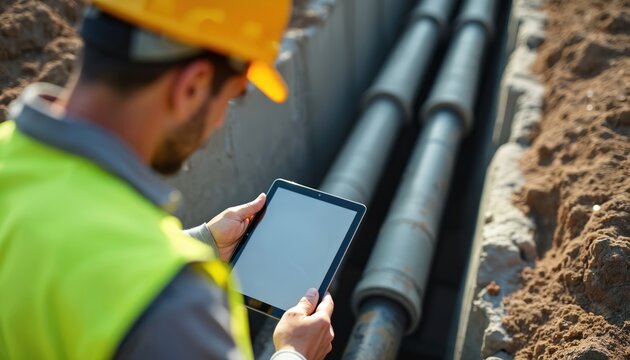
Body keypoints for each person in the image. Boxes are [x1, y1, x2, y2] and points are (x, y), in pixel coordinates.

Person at [0, 1, 335, 359]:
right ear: (193, 86)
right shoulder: (173, 304)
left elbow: (69, 255)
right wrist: (295, 353)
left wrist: (204, 241)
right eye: (232, 96)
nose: (221, 119)